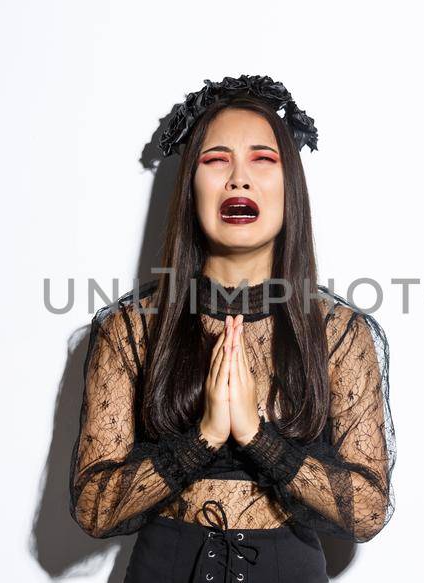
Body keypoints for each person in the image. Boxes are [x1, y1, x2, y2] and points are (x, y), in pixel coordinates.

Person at [69, 75, 395, 583]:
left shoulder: (339, 333)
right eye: (216, 160)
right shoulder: (130, 329)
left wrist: (258, 438)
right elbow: (93, 508)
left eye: (263, 159)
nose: (238, 179)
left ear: (291, 186)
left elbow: (369, 510)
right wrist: (202, 439)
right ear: (190, 187)